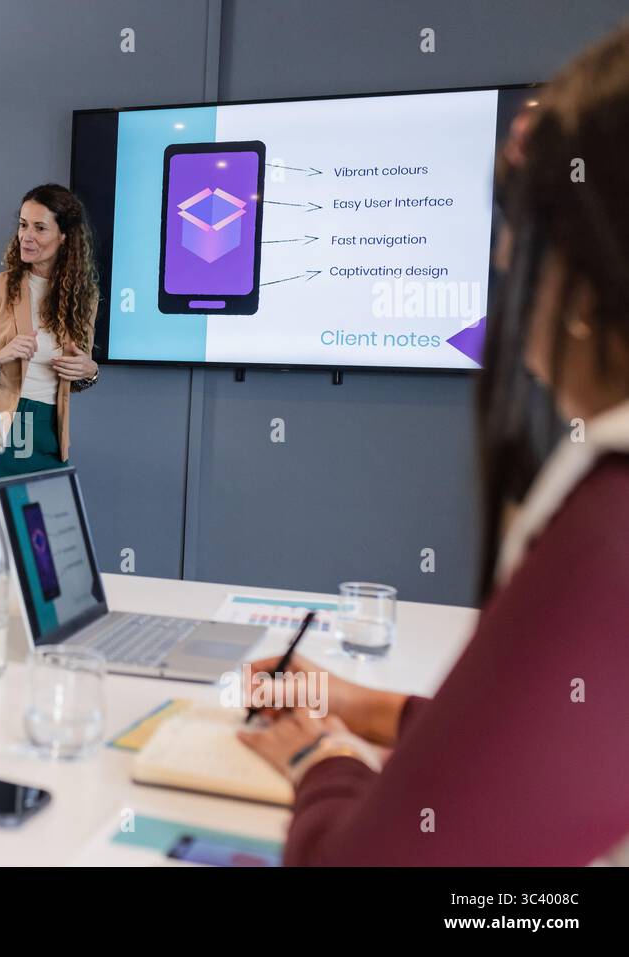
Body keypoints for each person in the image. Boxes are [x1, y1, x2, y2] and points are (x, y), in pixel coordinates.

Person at [235, 26, 629, 865]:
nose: (500, 259)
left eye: (517, 232)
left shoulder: (608, 519)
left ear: (587, 278)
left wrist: (321, 758)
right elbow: (550, 746)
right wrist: (371, 709)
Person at [0, 184, 100, 508]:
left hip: (47, 441)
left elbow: (77, 377)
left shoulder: (84, 299)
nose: (26, 236)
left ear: (64, 237)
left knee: (40, 555)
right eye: (23, 225)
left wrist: (89, 371)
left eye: (39, 228)